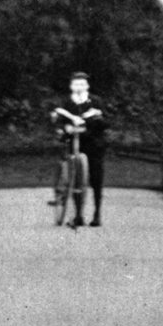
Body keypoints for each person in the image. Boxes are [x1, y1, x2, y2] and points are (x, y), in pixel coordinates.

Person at [51, 71, 107, 227]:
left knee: (96, 177)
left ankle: (97, 214)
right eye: (76, 84)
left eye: (82, 84)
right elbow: (59, 120)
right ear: (71, 86)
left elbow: (105, 122)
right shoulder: (67, 102)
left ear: (87, 86)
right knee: (75, 179)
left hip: (93, 143)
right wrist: (65, 127)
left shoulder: (95, 101)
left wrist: (95, 120)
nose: (79, 87)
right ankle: (78, 214)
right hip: (74, 142)